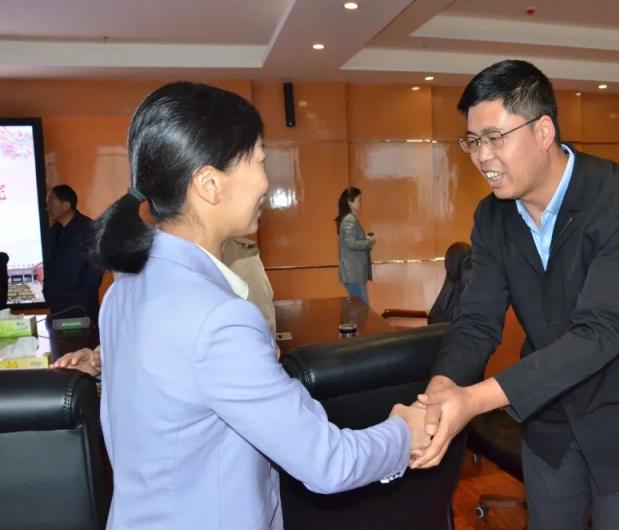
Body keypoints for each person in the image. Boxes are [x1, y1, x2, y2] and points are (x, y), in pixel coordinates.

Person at [92, 81, 429, 529]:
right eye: (259, 161)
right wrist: (405, 432)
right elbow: (328, 463)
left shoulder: (123, 288)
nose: (267, 183)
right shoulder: (219, 319)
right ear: (210, 184)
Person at [412, 60, 619, 530]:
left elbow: (601, 331)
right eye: (473, 141)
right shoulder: (493, 217)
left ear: (543, 131)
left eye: (495, 137)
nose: (482, 156)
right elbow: (478, 319)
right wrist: (443, 386)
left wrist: (474, 400)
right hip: (551, 411)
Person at [52, 236, 279, 375]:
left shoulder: (239, 257)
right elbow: (136, 332)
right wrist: (99, 358)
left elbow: (263, 349)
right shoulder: (136, 258)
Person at [43, 184, 104, 322]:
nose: (47, 208)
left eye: (50, 203)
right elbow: (49, 267)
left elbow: (95, 271)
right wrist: (48, 294)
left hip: (82, 310)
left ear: (66, 205)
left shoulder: (89, 229)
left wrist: (80, 300)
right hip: (57, 309)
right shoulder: (53, 233)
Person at [335, 187, 374, 304]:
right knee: (362, 309)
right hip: (353, 274)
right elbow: (351, 244)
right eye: (358, 200)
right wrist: (369, 242)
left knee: (358, 308)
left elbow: (351, 241)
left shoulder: (349, 219)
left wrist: (365, 241)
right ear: (350, 202)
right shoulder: (349, 220)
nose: (360, 204)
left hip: (354, 273)